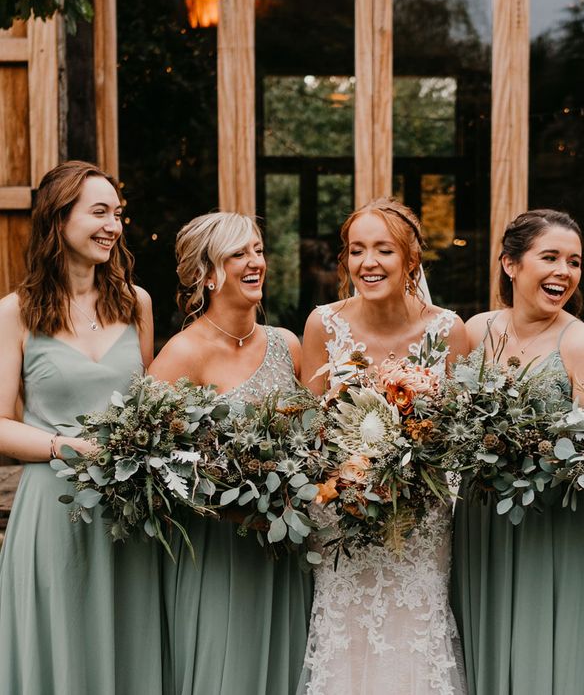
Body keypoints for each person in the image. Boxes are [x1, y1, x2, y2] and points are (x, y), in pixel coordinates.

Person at [298, 198, 469, 694]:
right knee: (347, 637)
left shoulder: (447, 330)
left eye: (383, 250)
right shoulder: (323, 325)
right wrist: (349, 479)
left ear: (411, 259)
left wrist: (410, 467)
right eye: (356, 250)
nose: (367, 263)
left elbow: (456, 435)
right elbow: (309, 431)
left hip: (420, 521)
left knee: (414, 634)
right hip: (342, 517)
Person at [0, 160, 160, 693]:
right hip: (54, 508)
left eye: (118, 214)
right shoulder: (15, 313)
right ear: (57, 218)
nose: (113, 225)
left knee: (128, 649)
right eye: (99, 212)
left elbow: (149, 409)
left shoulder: (136, 304)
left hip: (128, 512)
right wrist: (64, 447)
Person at [451, 209, 584, 694]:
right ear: (511, 264)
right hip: (481, 520)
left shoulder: (582, 344)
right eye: (550, 257)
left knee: (545, 653)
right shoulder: (475, 331)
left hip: (551, 526)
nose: (564, 272)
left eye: (574, 261)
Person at [148, 212, 311, 695]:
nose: (255, 261)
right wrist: (224, 504)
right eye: (239, 253)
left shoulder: (288, 345)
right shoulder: (182, 354)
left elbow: (311, 441)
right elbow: (150, 459)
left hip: (283, 548)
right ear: (207, 274)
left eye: (258, 249)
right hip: (217, 551)